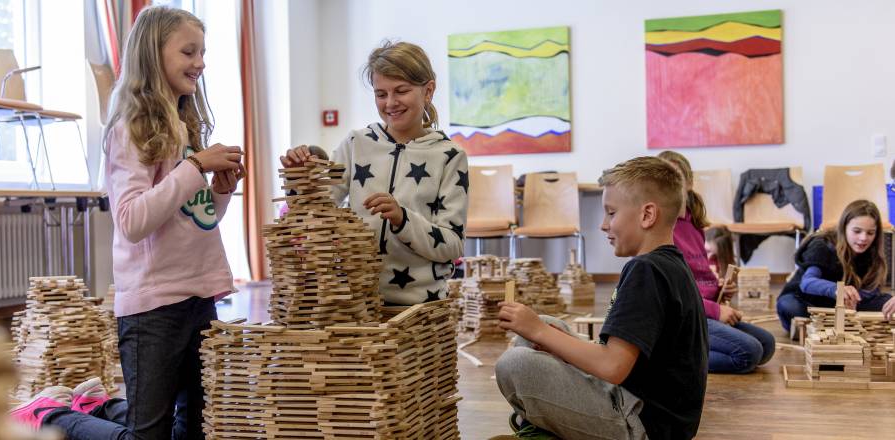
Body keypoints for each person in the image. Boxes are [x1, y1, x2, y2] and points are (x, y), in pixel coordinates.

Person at [11, 6, 244, 439]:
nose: (201, 63)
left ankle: (100, 405)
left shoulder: (185, 123)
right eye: (189, 52)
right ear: (153, 56)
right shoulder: (130, 128)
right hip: (154, 305)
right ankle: (51, 415)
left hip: (200, 293)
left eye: (203, 53)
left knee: (192, 430)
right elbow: (132, 220)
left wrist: (221, 191)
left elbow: (196, 217)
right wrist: (194, 165)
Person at [491, 157, 707, 440]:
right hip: (643, 407)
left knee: (515, 363)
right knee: (545, 327)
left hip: (641, 425)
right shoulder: (668, 265)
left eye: (611, 213)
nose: (603, 224)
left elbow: (612, 366)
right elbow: (624, 358)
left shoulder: (646, 271)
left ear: (647, 215)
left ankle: (544, 425)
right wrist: (547, 336)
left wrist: (538, 330)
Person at [281, 41, 468, 305]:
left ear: (428, 91)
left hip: (420, 308)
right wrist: (300, 177)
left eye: (401, 91)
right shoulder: (355, 143)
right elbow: (314, 213)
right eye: (381, 94)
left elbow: (452, 245)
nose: (390, 103)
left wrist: (402, 219)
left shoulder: (450, 156)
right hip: (356, 304)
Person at [659, 151, 775, 374]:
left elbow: (699, 273)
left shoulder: (693, 221)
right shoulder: (663, 228)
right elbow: (672, 295)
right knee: (748, 354)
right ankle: (668, 359)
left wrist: (718, 289)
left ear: (689, 183)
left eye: (675, 178)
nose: (669, 186)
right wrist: (714, 310)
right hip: (684, 316)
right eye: (662, 181)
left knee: (767, 345)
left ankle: (688, 350)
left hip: (702, 309)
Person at [777, 199, 895, 332]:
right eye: (857, 231)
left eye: (870, 233)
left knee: (887, 302)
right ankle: (820, 327)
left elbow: (871, 293)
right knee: (789, 305)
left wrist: (855, 299)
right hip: (808, 301)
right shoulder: (822, 245)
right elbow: (808, 283)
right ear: (844, 228)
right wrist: (837, 289)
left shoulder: (873, 254)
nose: (863, 238)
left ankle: (828, 326)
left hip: (838, 307)